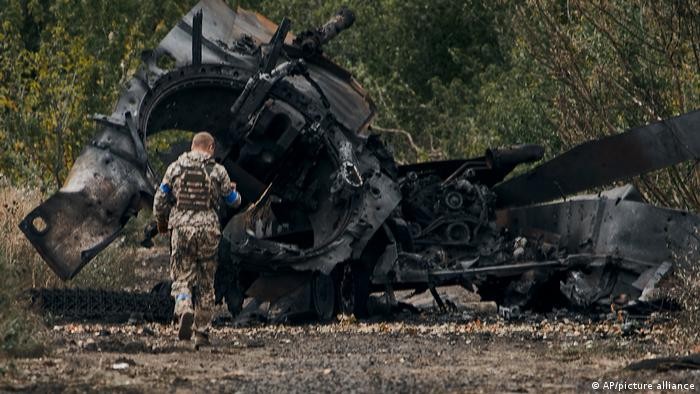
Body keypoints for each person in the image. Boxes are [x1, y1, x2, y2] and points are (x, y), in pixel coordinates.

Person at [153, 131, 241, 347]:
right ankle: (201, 332)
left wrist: (162, 223)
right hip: (208, 231)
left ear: (192, 146)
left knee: (182, 278)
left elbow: (160, 200)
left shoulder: (175, 168)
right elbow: (233, 201)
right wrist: (234, 192)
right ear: (210, 147)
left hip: (182, 230)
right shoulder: (218, 171)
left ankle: (184, 309)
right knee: (205, 283)